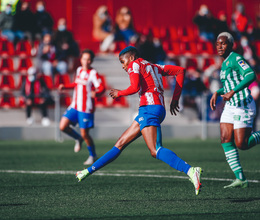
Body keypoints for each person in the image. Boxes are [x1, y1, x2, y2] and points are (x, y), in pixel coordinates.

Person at [76, 46, 203, 196]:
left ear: (130, 58)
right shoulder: (154, 66)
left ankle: (190, 170)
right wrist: (175, 99)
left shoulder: (134, 65)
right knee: (120, 143)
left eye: (123, 62)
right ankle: (86, 171)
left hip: (149, 109)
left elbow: (135, 87)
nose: (123, 66)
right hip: (152, 109)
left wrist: (120, 93)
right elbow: (180, 71)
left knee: (155, 150)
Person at [210, 32, 260, 188]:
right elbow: (230, 85)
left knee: (242, 143)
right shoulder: (224, 63)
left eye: (223, 43)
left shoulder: (236, 58)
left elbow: (251, 75)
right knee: (225, 138)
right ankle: (240, 178)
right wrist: (218, 92)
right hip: (230, 106)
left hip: (243, 104)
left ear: (231, 45)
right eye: (218, 44)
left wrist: (233, 91)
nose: (220, 46)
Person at [58, 49, 105, 165]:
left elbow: (102, 87)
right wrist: (66, 86)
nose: (86, 61)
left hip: (86, 108)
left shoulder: (93, 73)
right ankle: (78, 138)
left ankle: (93, 155)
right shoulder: (79, 70)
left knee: (85, 134)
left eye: (89, 59)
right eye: (84, 59)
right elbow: (76, 83)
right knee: (62, 126)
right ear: (81, 59)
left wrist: (97, 93)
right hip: (75, 105)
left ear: (92, 61)